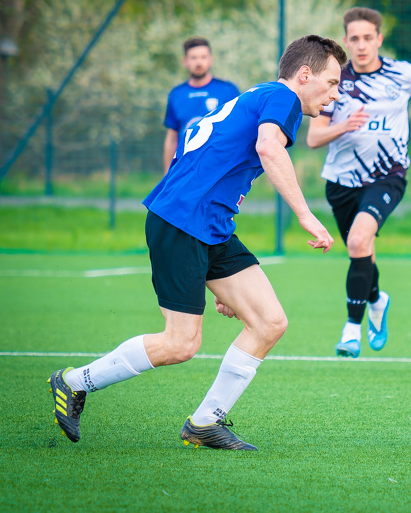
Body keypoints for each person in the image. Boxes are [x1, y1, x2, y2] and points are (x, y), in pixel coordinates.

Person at [48, 35, 347, 451]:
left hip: (210, 225)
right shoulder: (283, 97)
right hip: (182, 221)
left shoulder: (258, 95)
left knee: (268, 322)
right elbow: (268, 148)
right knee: (181, 343)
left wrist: (219, 279)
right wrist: (305, 214)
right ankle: (73, 382)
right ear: (304, 74)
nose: (335, 93)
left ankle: (205, 423)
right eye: (331, 82)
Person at [307, 7, 411, 358]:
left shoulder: (404, 74)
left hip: (388, 176)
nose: (362, 45)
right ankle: (376, 300)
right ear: (346, 41)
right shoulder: (333, 80)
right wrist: (344, 125)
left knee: (357, 239)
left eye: (368, 38)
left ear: (379, 39)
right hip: (340, 181)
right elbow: (313, 138)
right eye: (354, 38)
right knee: (360, 250)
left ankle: (352, 329)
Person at [162, 37, 240, 174]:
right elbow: (171, 137)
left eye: (203, 57)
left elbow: (239, 131)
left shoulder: (228, 91)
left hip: (219, 169)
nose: (199, 62)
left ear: (210, 59)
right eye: (194, 58)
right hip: (185, 170)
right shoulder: (176, 94)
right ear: (185, 61)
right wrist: (168, 174)